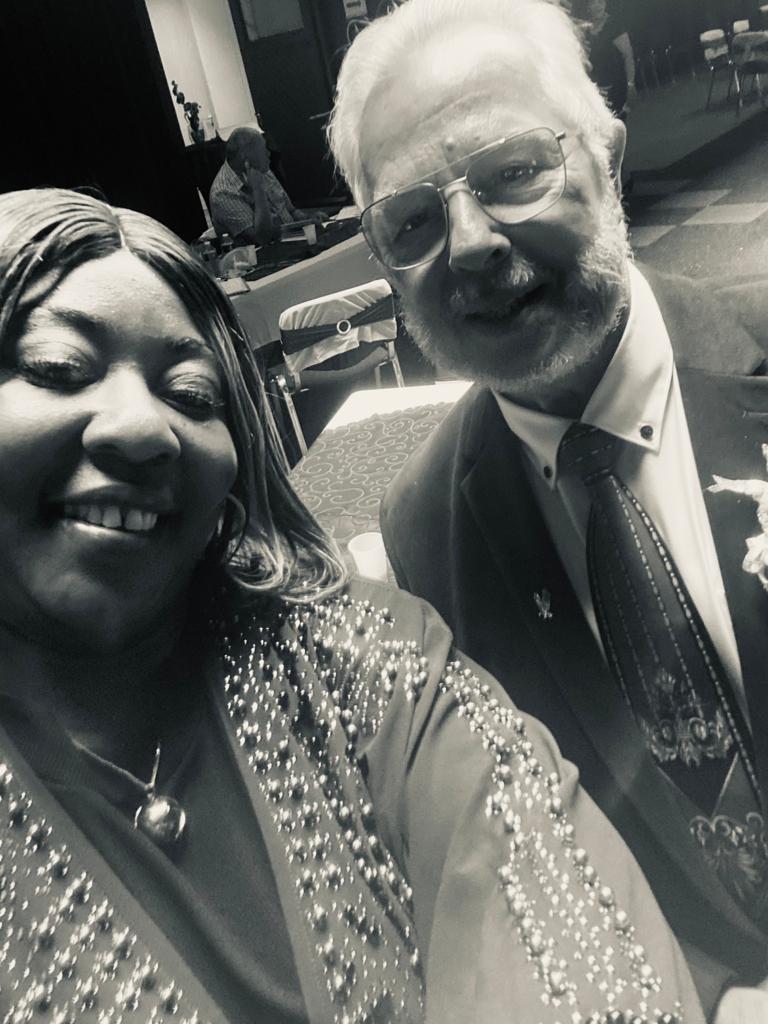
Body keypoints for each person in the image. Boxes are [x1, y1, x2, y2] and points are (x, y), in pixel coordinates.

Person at [0, 187, 703, 1024]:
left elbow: (565, 923)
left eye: (190, 394)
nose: (142, 427)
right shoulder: (423, 523)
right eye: (58, 369)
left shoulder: (364, 661)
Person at [327, 1, 768, 1021]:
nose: (471, 243)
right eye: (413, 222)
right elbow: (546, 843)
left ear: (608, 158)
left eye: (514, 170)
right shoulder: (426, 526)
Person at [209, 126, 322, 245]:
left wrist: (308, 219)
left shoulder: (262, 170)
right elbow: (261, 238)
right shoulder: (223, 193)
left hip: (293, 239)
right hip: (264, 251)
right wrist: (258, 190)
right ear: (244, 156)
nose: (268, 153)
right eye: (263, 150)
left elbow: (291, 211)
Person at [571, 0, 636, 118]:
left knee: (617, 121)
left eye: (600, 2)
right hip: (595, 89)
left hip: (615, 86)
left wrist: (630, 84)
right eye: (593, 3)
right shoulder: (584, 29)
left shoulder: (614, 25)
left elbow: (628, 55)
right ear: (588, 7)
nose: (597, 6)